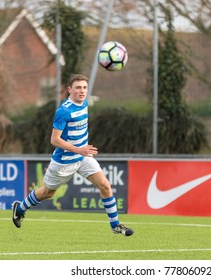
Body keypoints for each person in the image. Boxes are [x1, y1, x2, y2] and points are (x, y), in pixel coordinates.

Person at [11, 74, 134, 236]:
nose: (82, 91)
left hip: (83, 157)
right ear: (69, 90)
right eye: (78, 88)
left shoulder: (84, 103)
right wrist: (79, 150)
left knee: (104, 185)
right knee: (48, 193)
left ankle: (115, 225)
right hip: (64, 161)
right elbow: (54, 140)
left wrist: (82, 151)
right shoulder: (64, 111)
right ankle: (19, 208)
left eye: (84, 87)